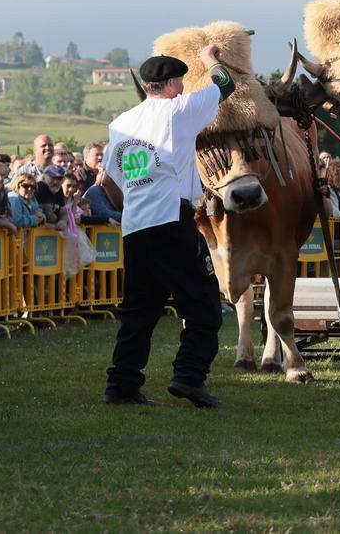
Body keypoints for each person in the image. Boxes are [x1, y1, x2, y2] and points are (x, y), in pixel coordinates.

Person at [102, 46, 237, 408]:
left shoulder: (121, 123)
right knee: (205, 301)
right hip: (171, 219)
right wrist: (210, 58)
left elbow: (108, 184)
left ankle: (122, 386)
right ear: (173, 84)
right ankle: (189, 376)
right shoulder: (179, 109)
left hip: (135, 226)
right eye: (179, 81)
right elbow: (225, 84)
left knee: (139, 311)